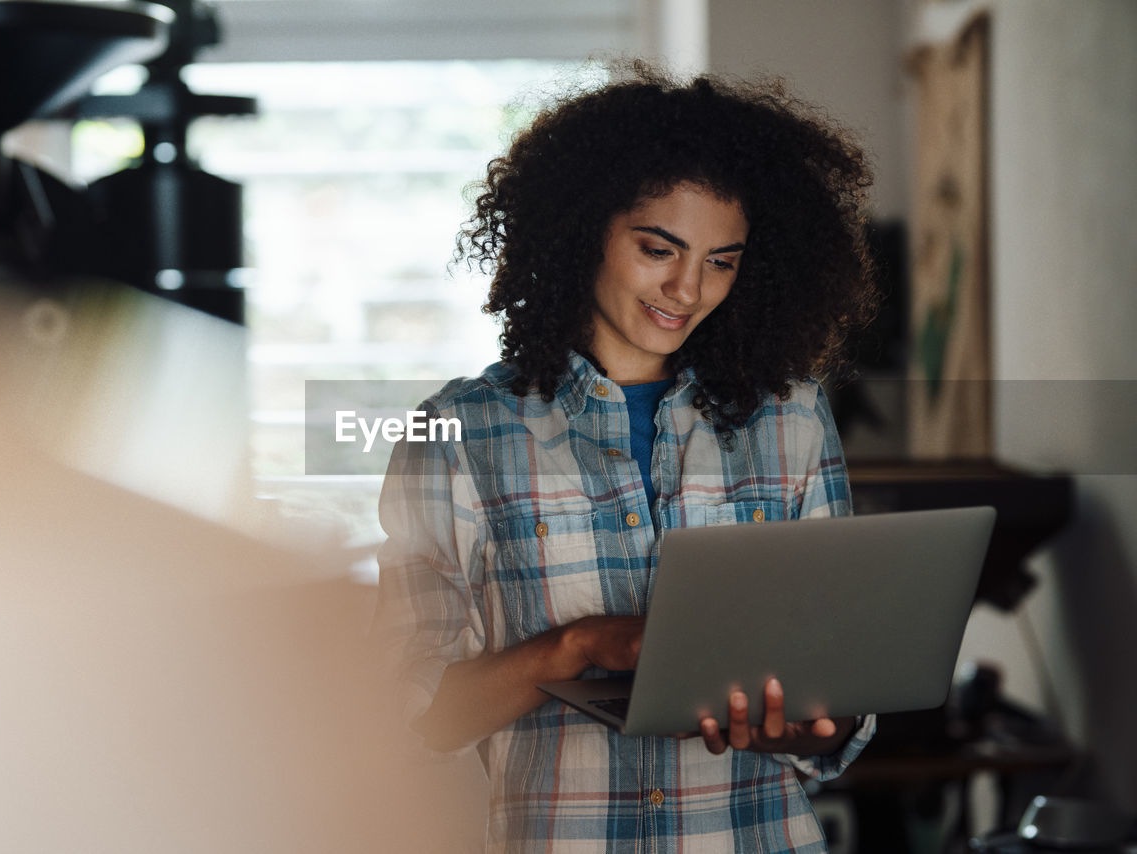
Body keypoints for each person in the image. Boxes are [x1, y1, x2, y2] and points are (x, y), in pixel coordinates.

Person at [374, 63, 881, 852]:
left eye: (722, 260)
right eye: (659, 248)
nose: (687, 288)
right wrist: (580, 645)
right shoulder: (458, 434)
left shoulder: (792, 418)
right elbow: (420, 713)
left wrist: (804, 721)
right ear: (585, 231)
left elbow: (842, 714)